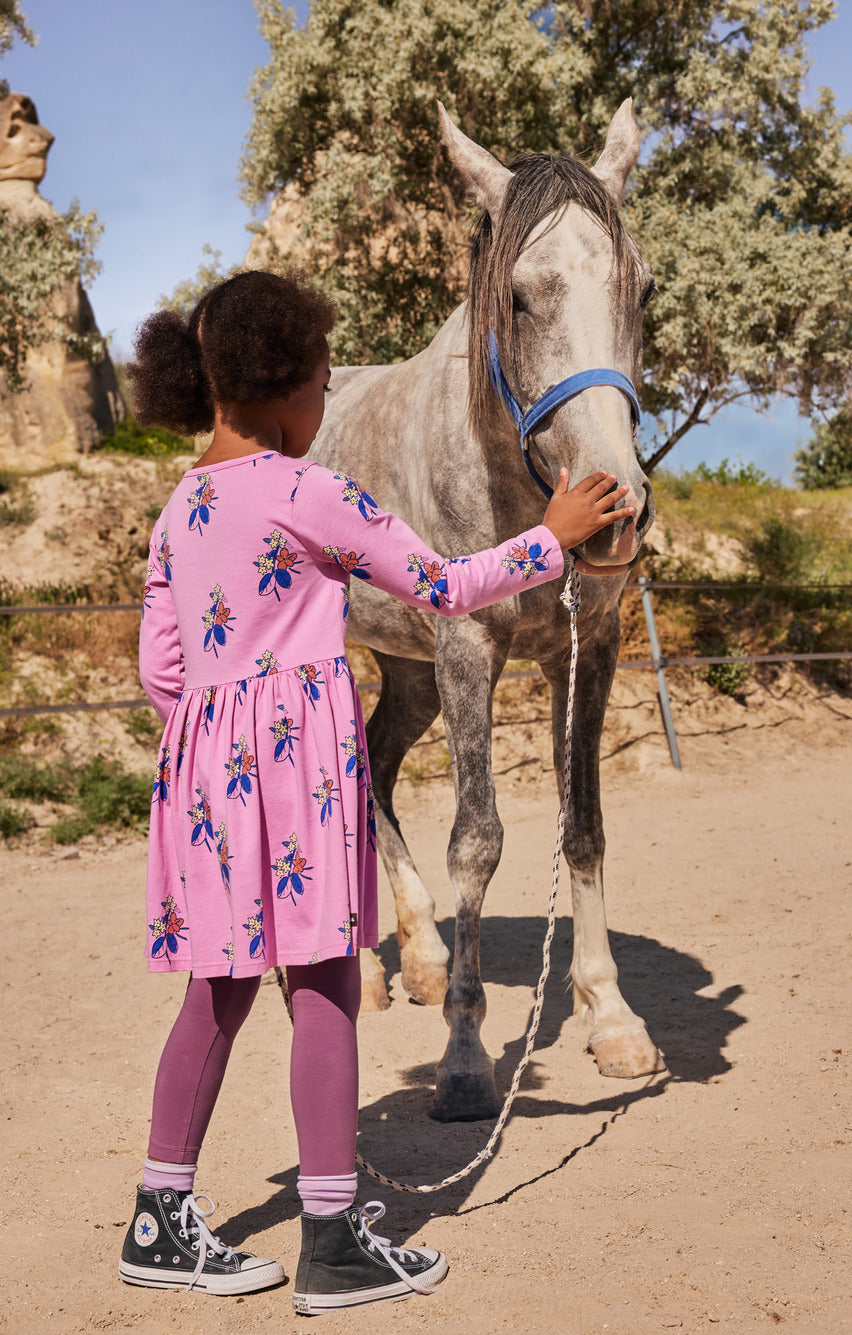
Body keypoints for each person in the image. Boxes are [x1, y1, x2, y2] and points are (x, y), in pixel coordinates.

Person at [119, 270, 633, 1314]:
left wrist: (221, 742)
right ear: (286, 387)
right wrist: (558, 533)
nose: (325, 403)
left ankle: (160, 1213)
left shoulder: (180, 507)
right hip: (300, 769)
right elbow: (448, 588)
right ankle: (333, 1237)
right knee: (324, 991)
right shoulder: (313, 494)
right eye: (320, 381)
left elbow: (160, 672)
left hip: (206, 779)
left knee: (213, 995)